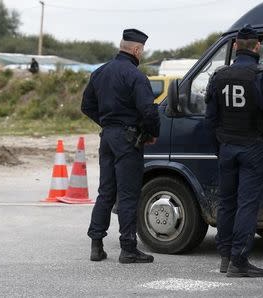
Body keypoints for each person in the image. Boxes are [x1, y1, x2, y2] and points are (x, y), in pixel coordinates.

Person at [205, 25, 263, 277]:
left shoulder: (218, 76)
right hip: (253, 145)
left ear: (235, 47)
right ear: (257, 47)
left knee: (226, 202)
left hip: (226, 147)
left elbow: (209, 119)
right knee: (247, 204)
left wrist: (218, 147)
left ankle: (224, 257)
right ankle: (239, 260)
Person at [81, 28, 160, 264]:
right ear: (136, 49)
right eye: (142, 51)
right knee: (127, 194)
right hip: (128, 140)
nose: (142, 54)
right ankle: (128, 249)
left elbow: (87, 106)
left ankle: (96, 245)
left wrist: (107, 123)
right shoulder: (135, 76)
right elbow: (149, 110)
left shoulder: (100, 72)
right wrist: (152, 133)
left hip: (107, 138)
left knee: (105, 192)